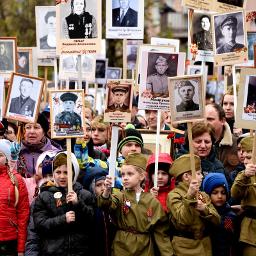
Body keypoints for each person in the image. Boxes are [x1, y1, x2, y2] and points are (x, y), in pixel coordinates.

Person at [98, 152, 174, 255]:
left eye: (130, 174)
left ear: (142, 176)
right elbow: (105, 204)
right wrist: (107, 190)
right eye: (123, 174)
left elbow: (160, 231)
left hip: (144, 247)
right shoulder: (120, 196)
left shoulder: (151, 200)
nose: (125, 177)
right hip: (122, 245)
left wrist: (167, 254)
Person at [33, 151, 95, 255]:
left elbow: (91, 220)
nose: (62, 176)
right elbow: (40, 225)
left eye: (66, 172)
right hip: (53, 251)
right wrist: (62, 219)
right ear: (53, 173)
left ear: (74, 173)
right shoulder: (44, 196)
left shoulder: (85, 195)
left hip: (79, 251)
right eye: (58, 172)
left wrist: (78, 204)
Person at [167, 154, 221, 256]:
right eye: (198, 173)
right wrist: (190, 197)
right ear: (186, 176)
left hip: (204, 246)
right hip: (184, 248)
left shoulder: (203, 195)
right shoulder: (174, 195)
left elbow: (217, 220)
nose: (202, 176)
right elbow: (183, 220)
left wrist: (204, 209)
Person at [0, 139, 30, 256]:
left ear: (7, 157)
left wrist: (21, 249)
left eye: (0, 155)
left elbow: (23, 216)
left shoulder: (17, 180)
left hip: (9, 241)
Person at [231, 136, 256, 256]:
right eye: (245, 157)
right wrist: (245, 176)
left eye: (249, 157)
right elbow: (235, 193)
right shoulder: (244, 175)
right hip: (251, 229)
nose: (245, 161)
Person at [202, 173, 238, 256]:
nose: (220, 196)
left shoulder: (230, 215)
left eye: (223, 193)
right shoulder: (202, 211)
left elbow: (226, 231)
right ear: (207, 194)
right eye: (215, 193)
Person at [205, 103, 239, 172]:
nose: (205, 123)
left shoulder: (237, 144)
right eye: (203, 119)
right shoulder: (194, 143)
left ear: (222, 121)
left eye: (210, 119)